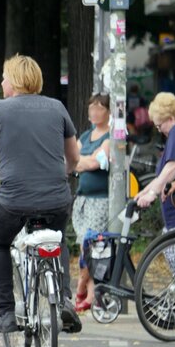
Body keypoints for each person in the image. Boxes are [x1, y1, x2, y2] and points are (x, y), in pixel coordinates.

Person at [0, 54, 82, 334]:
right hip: (56, 198)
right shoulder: (57, 108)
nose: (2, 82)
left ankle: (5, 312)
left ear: (14, 81)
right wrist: (60, 173)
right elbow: (74, 158)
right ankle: (64, 298)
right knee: (58, 238)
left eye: (5, 77)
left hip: (14, 200)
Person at [71, 95, 111, 313]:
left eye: (99, 108)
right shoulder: (86, 136)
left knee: (91, 246)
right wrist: (84, 162)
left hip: (100, 201)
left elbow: (96, 162)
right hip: (82, 200)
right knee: (83, 245)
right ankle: (91, 291)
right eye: (92, 108)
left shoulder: (110, 137)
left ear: (108, 112)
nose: (95, 112)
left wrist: (83, 162)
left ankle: (82, 288)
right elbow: (71, 160)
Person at [136, 92, 175, 227]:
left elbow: (173, 167)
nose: (159, 130)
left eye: (159, 126)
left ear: (170, 118)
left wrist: (152, 193)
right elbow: (162, 175)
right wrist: (145, 191)